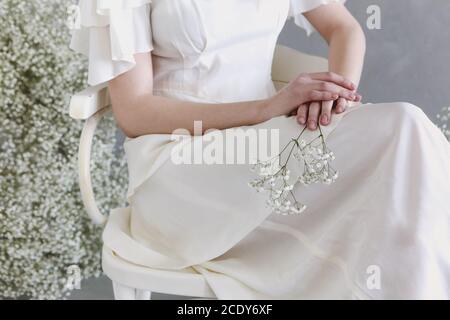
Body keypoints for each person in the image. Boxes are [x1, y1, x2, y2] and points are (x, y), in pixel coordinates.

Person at [70, 0, 450, 299]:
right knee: (403, 129)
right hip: (183, 163)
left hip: (271, 141)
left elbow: (345, 28)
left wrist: (335, 98)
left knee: (407, 136)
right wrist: (265, 109)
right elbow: (134, 113)